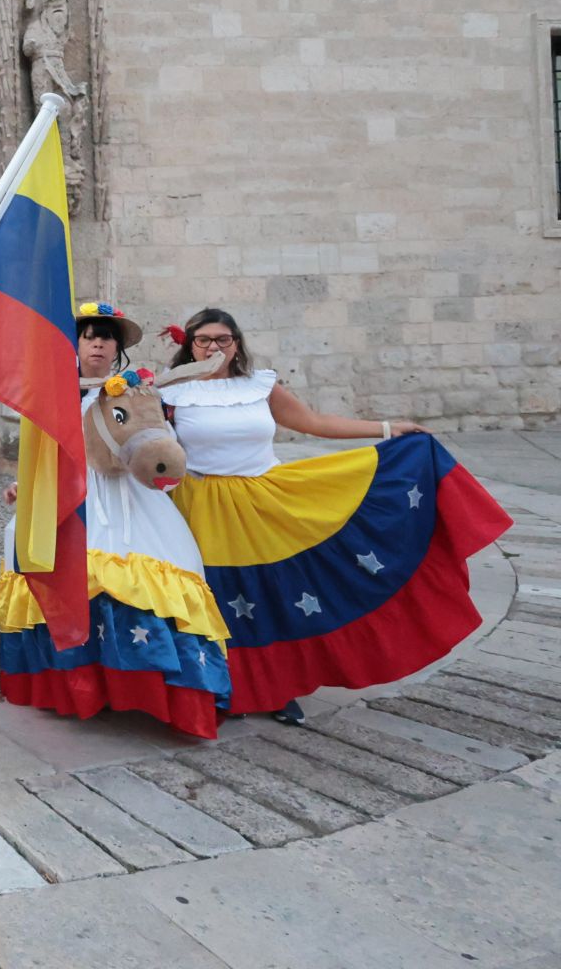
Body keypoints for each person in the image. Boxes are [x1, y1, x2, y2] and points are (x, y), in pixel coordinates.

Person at [164, 307, 506, 726]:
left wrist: (385, 429)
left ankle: (279, 689)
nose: (214, 347)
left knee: (275, 591)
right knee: (219, 596)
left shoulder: (260, 385)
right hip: (201, 504)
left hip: (264, 500)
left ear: (237, 344)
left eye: (223, 339)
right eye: (204, 340)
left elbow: (313, 422)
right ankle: (223, 687)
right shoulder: (170, 393)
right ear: (190, 346)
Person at [0, 302, 232, 739]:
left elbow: (155, 437)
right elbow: (42, 448)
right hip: (74, 492)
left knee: (141, 574)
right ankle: (80, 684)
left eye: (107, 336)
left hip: (129, 496)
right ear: (77, 343)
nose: (99, 343)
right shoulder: (54, 392)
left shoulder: (136, 390)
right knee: (59, 569)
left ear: (118, 347)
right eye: (90, 335)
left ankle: (148, 686)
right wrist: (24, 486)